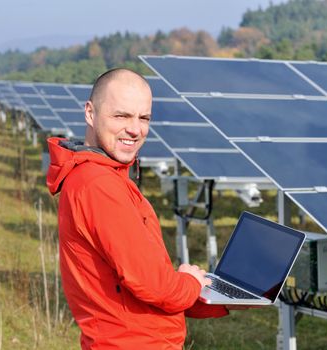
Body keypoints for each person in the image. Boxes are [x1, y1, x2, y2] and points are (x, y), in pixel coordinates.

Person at [47, 68, 235, 349]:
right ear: (90, 112)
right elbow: (154, 286)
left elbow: (132, 286)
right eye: (121, 116)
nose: (135, 129)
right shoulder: (99, 185)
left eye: (143, 117)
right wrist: (189, 282)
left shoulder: (103, 177)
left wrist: (218, 298)